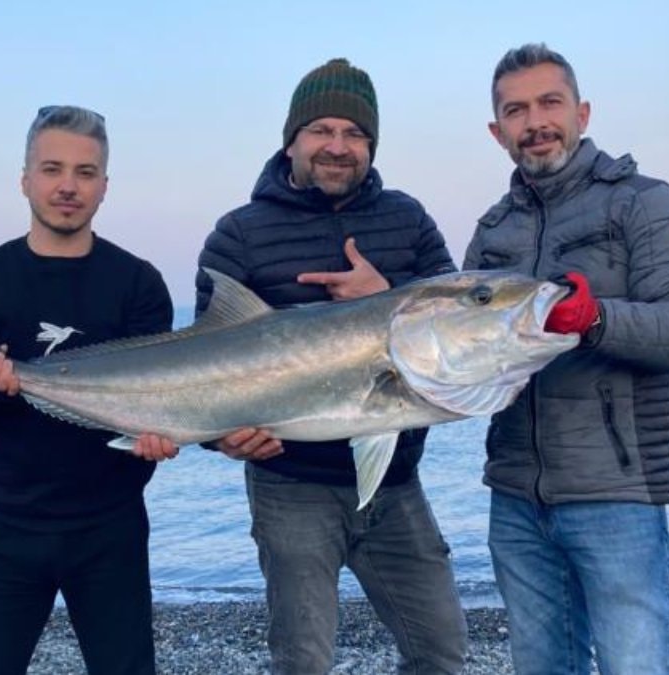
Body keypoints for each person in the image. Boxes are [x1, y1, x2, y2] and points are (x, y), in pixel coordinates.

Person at [196, 58, 468, 674]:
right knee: (303, 662)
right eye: (321, 130)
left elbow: (458, 317)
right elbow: (203, 365)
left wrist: (384, 296)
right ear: (291, 140)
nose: (338, 147)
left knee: (442, 651)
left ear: (371, 145)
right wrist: (220, 437)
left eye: (355, 133)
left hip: (395, 481)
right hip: (290, 487)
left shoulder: (408, 219)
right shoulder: (239, 234)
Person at [462, 43, 669, 675]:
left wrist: (595, 318)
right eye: (516, 111)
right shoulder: (493, 230)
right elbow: (464, 352)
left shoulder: (644, 203)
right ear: (497, 132)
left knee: (638, 665)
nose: (536, 122)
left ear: (582, 112)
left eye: (550, 103)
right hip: (515, 496)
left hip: (618, 495)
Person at [0, 105, 178, 674]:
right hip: (8, 527)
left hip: (110, 528)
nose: (68, 186)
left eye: (85, 173)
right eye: (52, 169)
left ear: (104, 186)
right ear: (25, 180)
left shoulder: (138, 283)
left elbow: (156, 403)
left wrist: (158, 438)